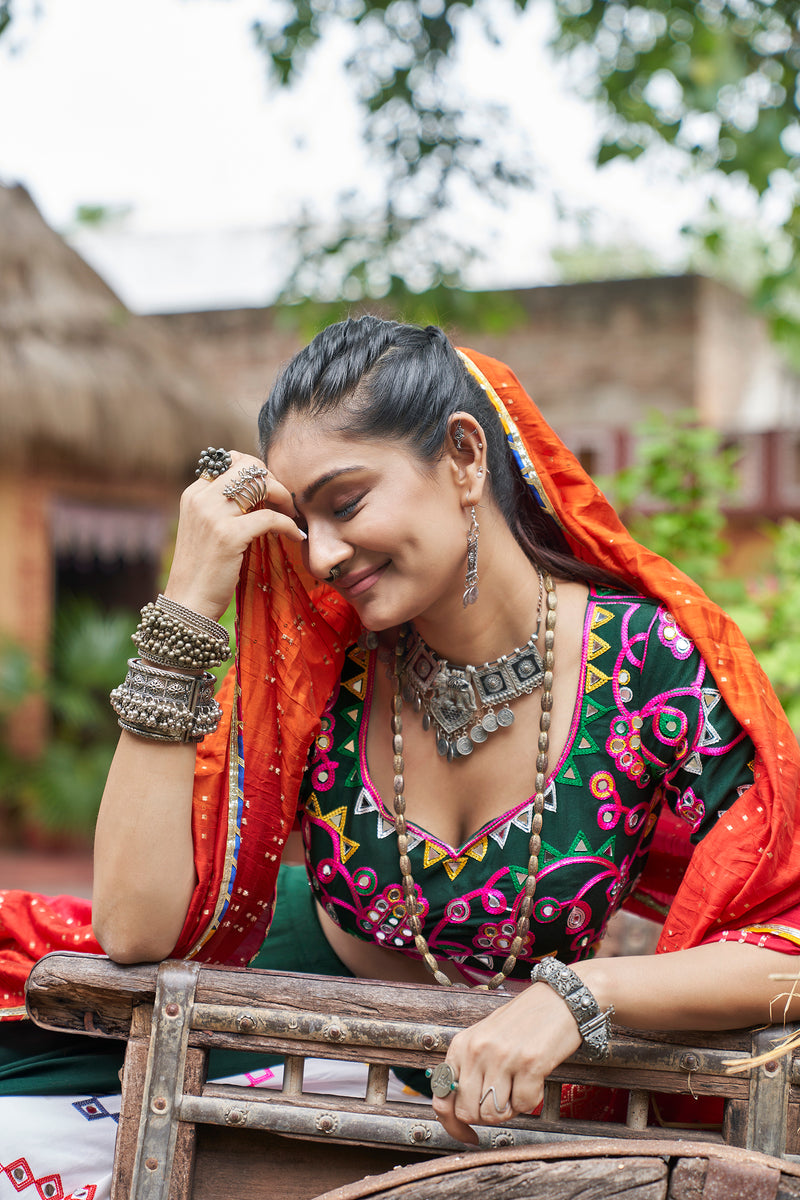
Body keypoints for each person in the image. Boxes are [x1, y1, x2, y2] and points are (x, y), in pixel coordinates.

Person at [2, 317, 800, 1168]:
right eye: (305, 523)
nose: (322, 555)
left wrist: (577, 995)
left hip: (499, 1083)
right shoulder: (322, 662)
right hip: (267, 1014)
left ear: (464, 456)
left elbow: (787, 944)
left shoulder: (646, 667)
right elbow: (132, 932)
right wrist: (189, 605)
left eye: (345, 504)